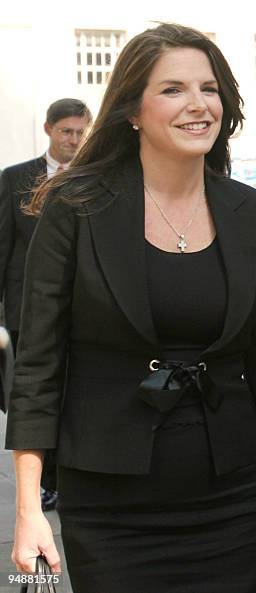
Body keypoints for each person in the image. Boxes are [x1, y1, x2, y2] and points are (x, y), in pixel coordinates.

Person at [6, 23, 256, 593]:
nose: (197, 105)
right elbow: (39, 363)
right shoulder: (77, 205)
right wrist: (28, 508)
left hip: (229, 499)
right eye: (173, 89)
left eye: (209, 89)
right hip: (111, 503)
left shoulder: (253, 212)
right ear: (132, 109)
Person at [0, 98, 92, 511]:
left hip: (80, 309)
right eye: (66, 132)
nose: (73, 140)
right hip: (25, 307)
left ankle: (63, 476)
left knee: (74, 391)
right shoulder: (15, 179)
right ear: (48, 130)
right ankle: (43, 480)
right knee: (36, 392)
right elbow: (3, 247)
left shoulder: (94, 178)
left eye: (80, 132)